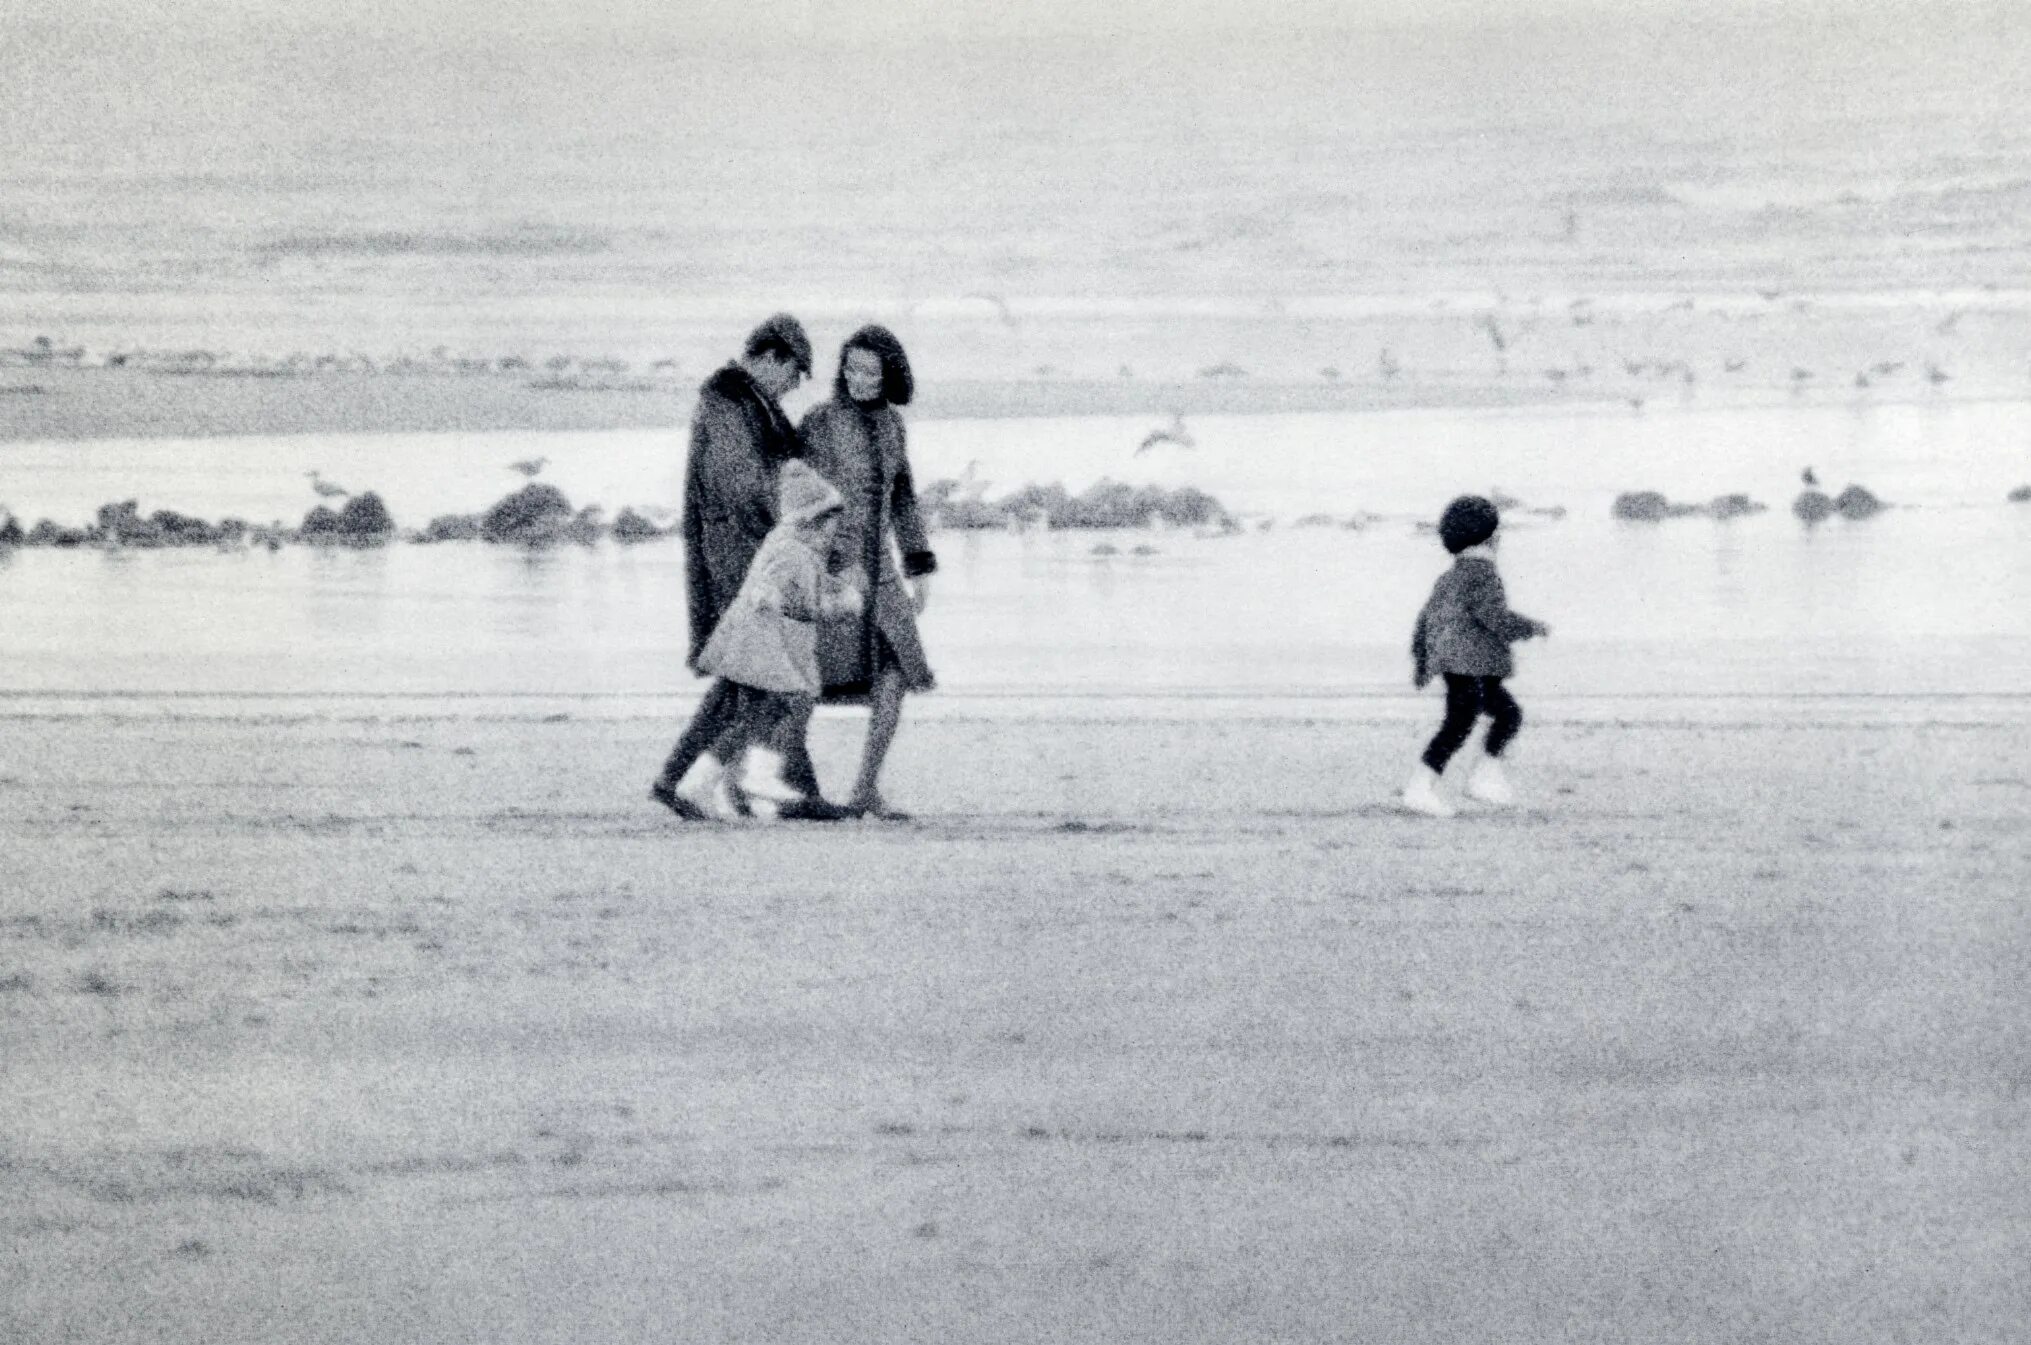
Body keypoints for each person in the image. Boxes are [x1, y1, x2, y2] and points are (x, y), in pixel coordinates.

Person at [649, 314, 847, 821]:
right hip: (740, 560)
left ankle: (681, 780)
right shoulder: (728, 402)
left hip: (749, 557)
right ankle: (779, 788)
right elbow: (744, 484)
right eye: (794, 372)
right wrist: (802, 520)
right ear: (769, 358)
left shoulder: (744, 401)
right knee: (769, 680)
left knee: (749, 680)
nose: (794, 385)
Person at [795, 325, 938, 820]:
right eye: (851, 368)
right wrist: (831, 562)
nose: (858, 379)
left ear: (889, 376)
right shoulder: (819, 422)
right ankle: (766, 778)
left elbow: (903, 498)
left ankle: (865, 789)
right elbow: (802, 496)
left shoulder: (895, 425)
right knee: (806, 681)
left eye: (870, 372)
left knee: (897, 673)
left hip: (882, 574)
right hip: (834, 569)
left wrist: (919, 564)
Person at [686, 461, 865, 817]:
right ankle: (758, 775)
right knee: (792, 700)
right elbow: (775, 584)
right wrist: (775, 596)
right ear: (812, 518)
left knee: (758, 713)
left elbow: (812, 590)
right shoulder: (790, 549)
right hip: (764, 639)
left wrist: (842, 596)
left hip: (774, 639)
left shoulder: (799, 548)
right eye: (832, 523)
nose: (835, 531)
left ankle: (701, 782)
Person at [1402, 495, 1550, 818]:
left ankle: (1483, 778)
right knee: (1465, 722)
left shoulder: (1450, 576)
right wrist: (1532, 627)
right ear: (1491, 538)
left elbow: (1424, 620)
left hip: (1459, 664)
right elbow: (1496, 619)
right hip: (1469, 665)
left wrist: (1422, 660)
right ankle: (1422, 786)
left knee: (1503, 714)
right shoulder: (1483, 573)